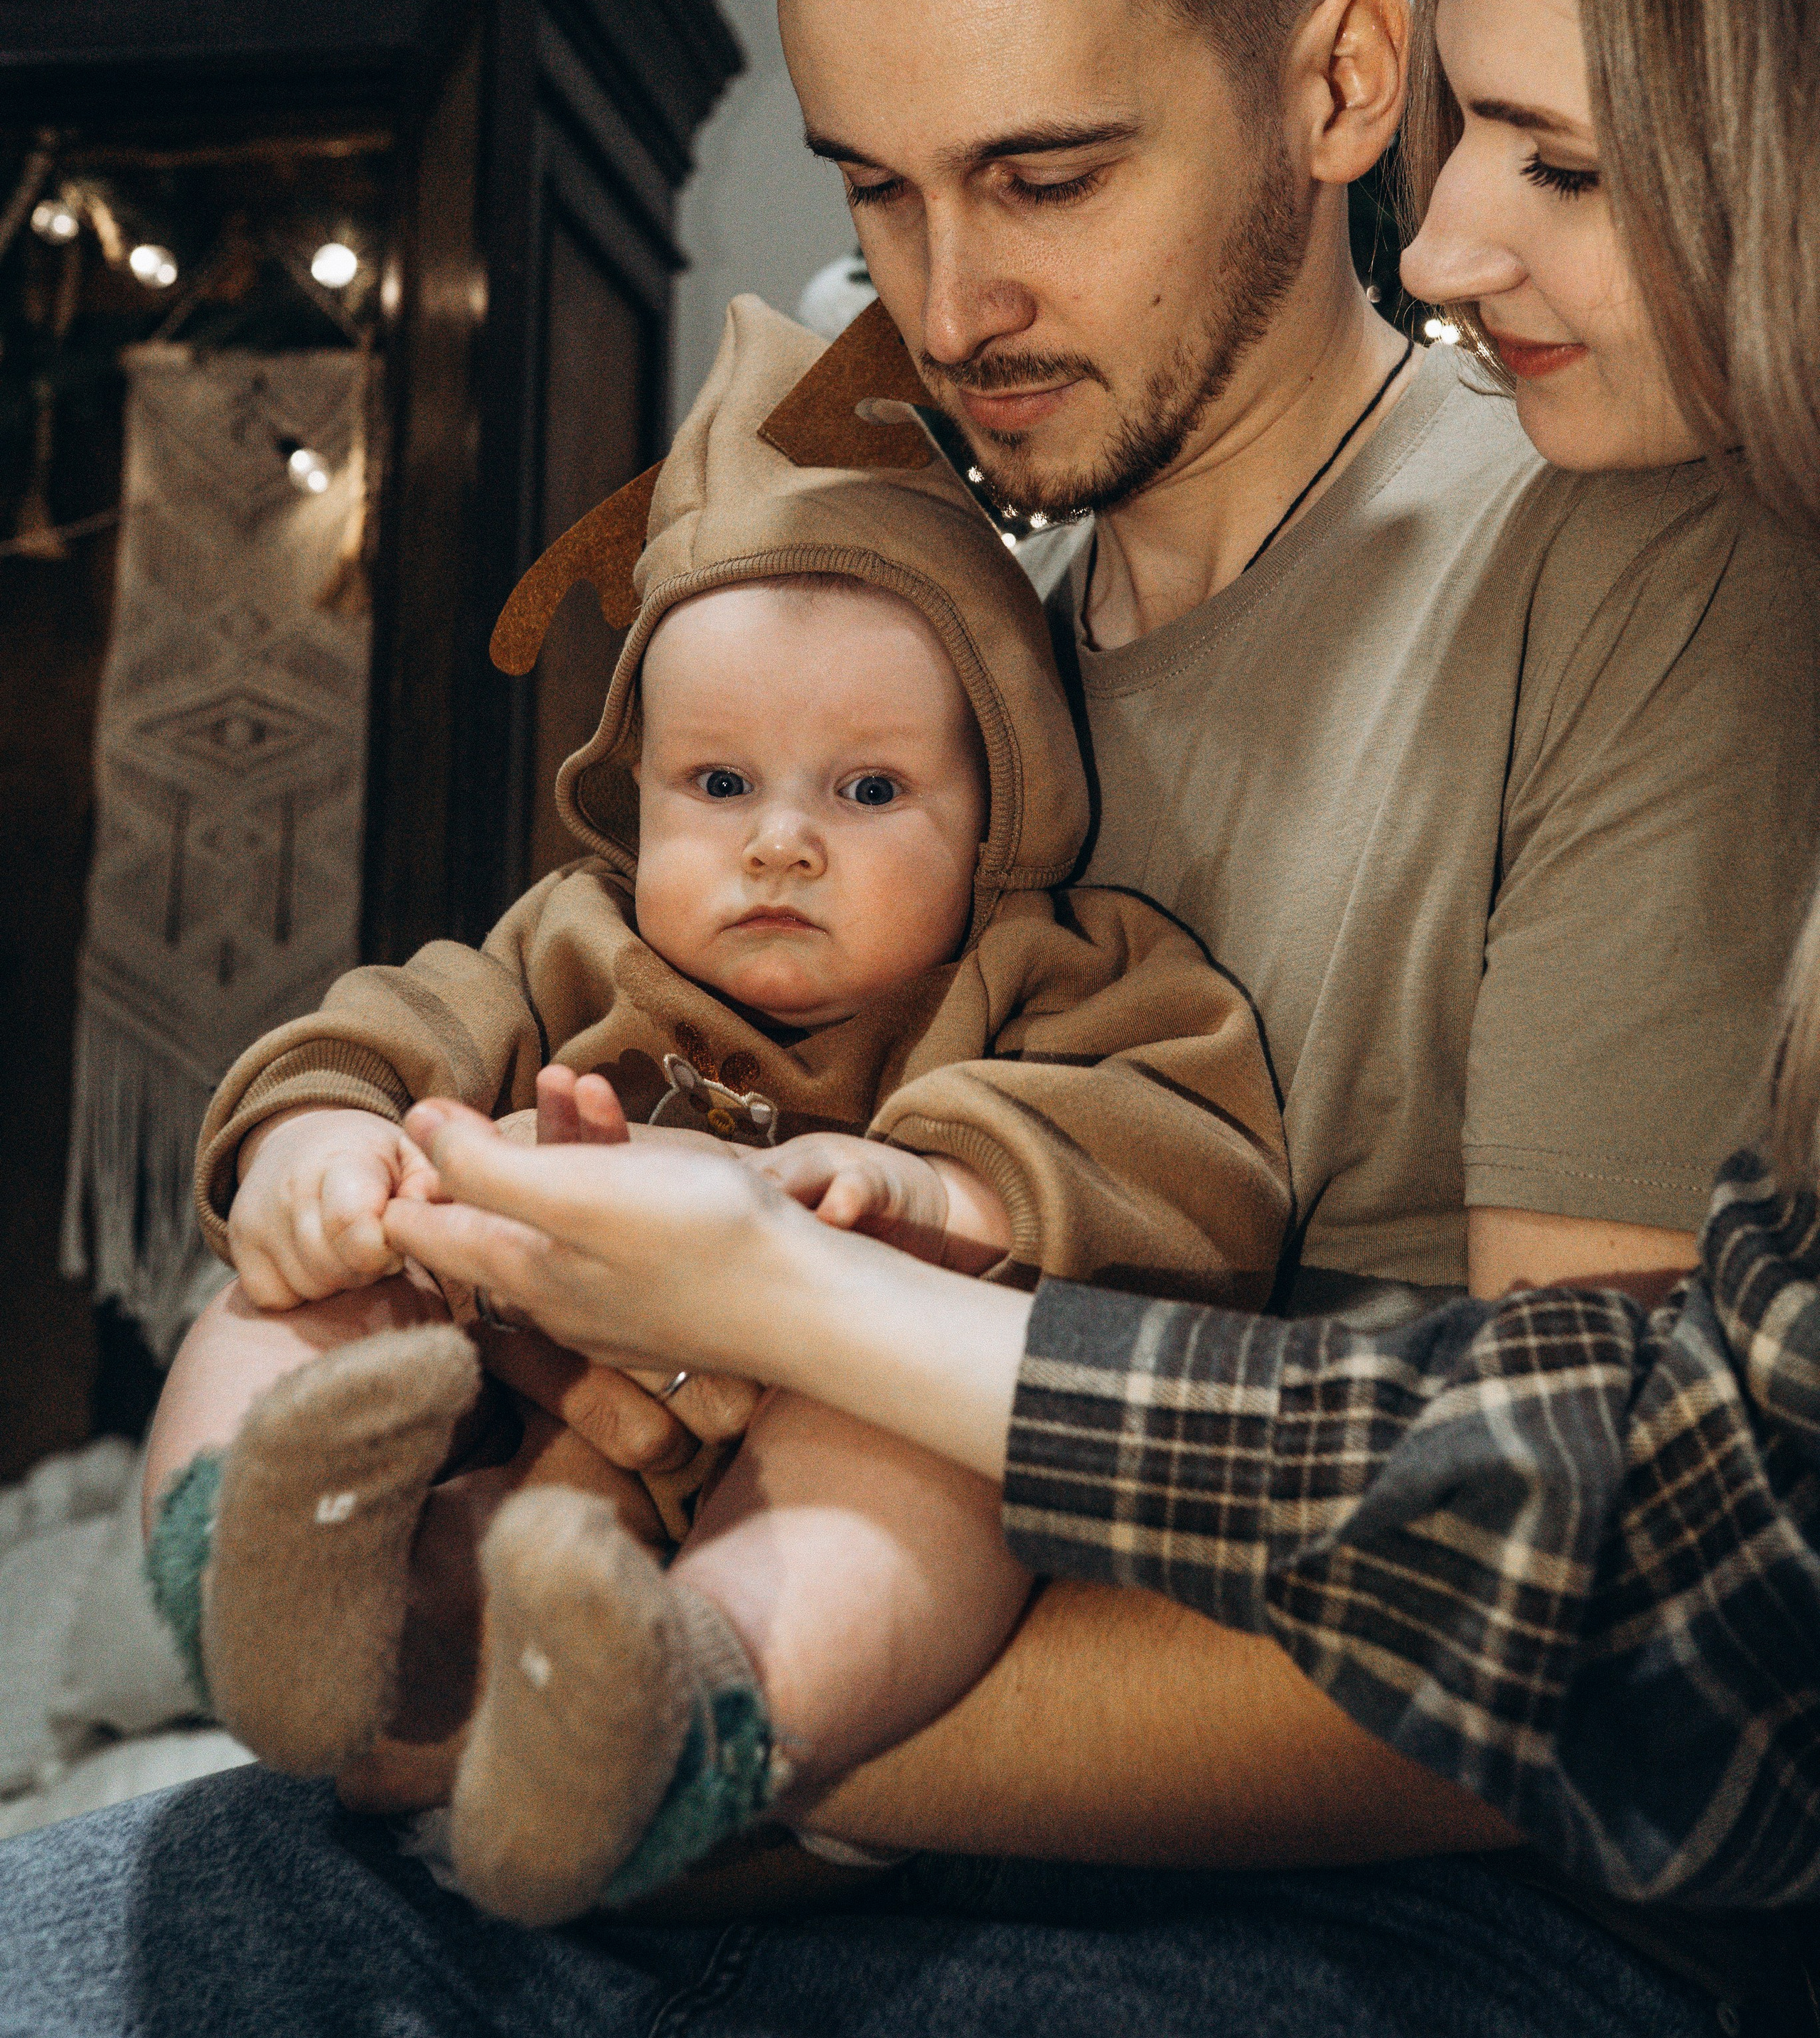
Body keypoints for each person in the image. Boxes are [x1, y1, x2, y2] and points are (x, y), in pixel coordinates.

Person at [3, 0, 1816, 2038]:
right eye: (875, 191)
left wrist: (648, 1738)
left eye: (1047, 178)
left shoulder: (1635, 544)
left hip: (1333, 1902)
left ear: (1344, 80)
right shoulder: (902, 641)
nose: (949, 307)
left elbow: (1607, 1615)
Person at [143, 292, 1285, 1927]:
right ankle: (266, 1551)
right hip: (506, 1431)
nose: (779, 845)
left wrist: (933, 1202)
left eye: (869, 789)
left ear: (1003, 810)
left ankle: (688, 1707)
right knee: (299, 1287)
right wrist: (320, 1144)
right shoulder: (573, 941)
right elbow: (387, 1026)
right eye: (721, 785)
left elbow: (1192, 1163)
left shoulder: (1054, 972)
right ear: (638, 791)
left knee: (943, 1466)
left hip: (821, 1449)